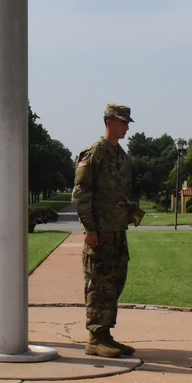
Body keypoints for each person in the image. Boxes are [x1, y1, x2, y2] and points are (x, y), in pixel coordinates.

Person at [72, 104, 144, 358]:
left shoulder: (122, 157)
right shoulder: (94, 154)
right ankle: (94, 337)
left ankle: (105, 334)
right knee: (98, 283)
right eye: (123, 122)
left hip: (116, 231)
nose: (126, 127)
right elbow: (81, 195)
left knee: (114, 283)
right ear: (109, 121)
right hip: (100, 232)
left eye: (127, 123)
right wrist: (89, 229)